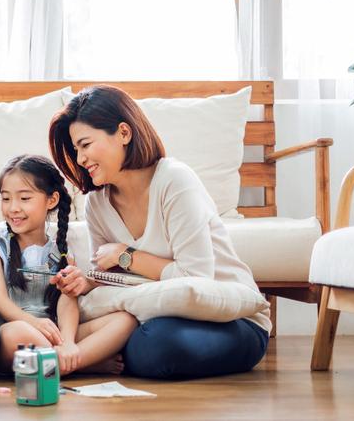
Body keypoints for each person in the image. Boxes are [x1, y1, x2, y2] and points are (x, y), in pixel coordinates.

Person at [47, 85, 271, 379]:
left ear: (124, 133)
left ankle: (95, 354)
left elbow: (196, 281)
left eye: (85, 145)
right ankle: (95, 354)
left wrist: (126, 256)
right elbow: (111, 282)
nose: (79, 159)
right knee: (142, 338)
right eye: (76, 149)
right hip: (153, 317)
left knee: (154, 346)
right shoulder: (96, 204)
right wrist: (87, 282)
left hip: (231, 320)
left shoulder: (174, 181)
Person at [0, 155, 133, 375]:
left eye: (24, 198)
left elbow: (68, 299)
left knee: (124, 320)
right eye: (6, 199)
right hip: (15, 331)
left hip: (52, 331)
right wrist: (34, 323)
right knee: (17, 333)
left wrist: (68, 341)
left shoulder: (60, 249)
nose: (13, 208)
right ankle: (82, 364)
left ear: (51, 201)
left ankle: (67, 359)